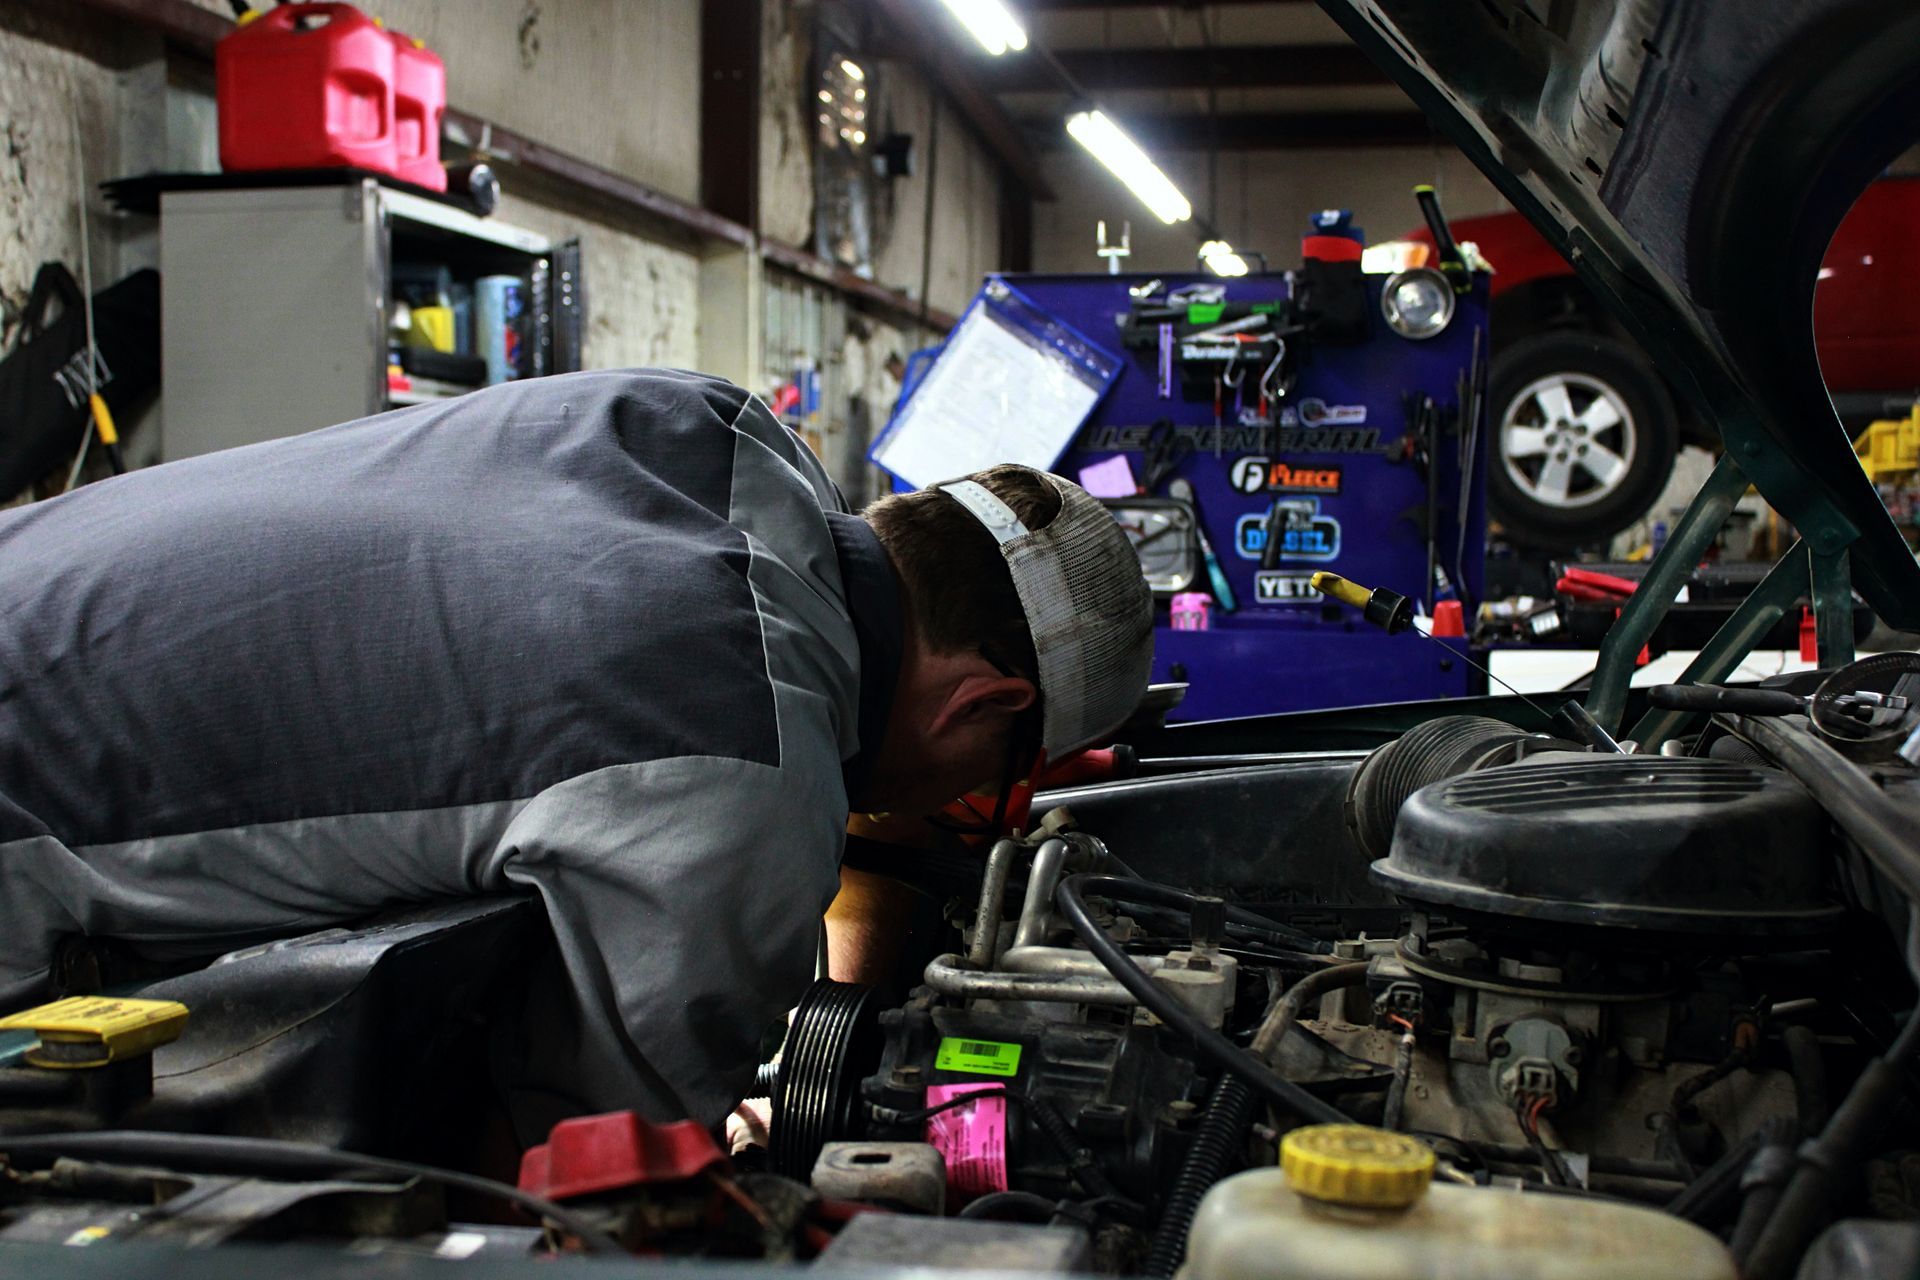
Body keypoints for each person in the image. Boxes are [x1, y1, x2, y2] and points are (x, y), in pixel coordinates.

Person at [0, 368, 1153, 1138]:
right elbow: (596, 1170)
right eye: (993, 783)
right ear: (984, 702)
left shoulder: (706, 423)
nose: (960, 804)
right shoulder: (746, 774)